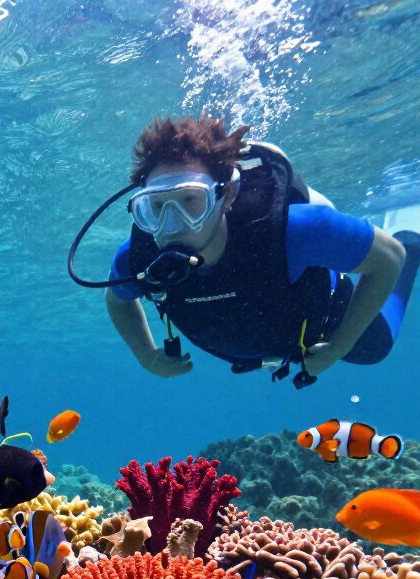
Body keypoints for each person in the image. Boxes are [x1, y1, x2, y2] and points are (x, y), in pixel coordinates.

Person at [105, 115, 420, 386]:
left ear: (226, 195)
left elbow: (390, 258)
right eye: (156, 207)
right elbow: (118, 302)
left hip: (323, 317)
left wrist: (338, 347)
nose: (172, 225)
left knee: (375, 349)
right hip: (257, 338)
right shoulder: (140, 256)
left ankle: (412, 235)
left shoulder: (293, 231)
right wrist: (146, 356)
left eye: (191, 201)